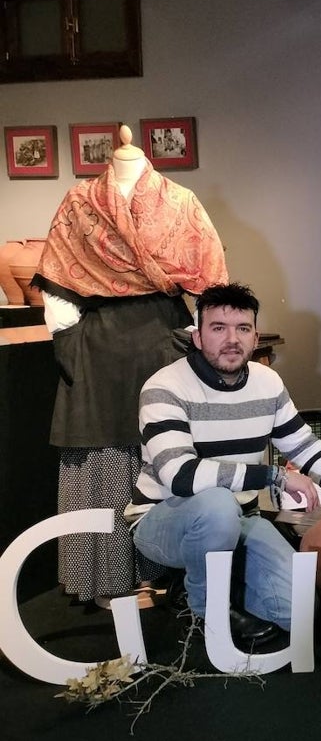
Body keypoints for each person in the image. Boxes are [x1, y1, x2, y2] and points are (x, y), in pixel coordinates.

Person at [132, 282, 321, 647]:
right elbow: (181, 477)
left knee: (298, 610)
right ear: (197, 337)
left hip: (241, 520)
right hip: (165, 519)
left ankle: (221, 572)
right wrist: (273, 477)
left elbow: (302, 445)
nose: (231, 339)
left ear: (255, 338)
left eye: (242, 329)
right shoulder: (165, 387)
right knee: (217, 503)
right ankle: (203, 606)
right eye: (218, 328)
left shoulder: (267, 382)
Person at [32, 127, 227, 607]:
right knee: (100, 457)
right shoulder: (80, 200)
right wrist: (70, 342)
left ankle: (165, 570)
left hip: (162, 338)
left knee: (163, 451)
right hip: (95, 344)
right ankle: (102, 580)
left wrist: (199, 339)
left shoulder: (180, 201)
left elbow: (208, 279)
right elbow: (58, 284)